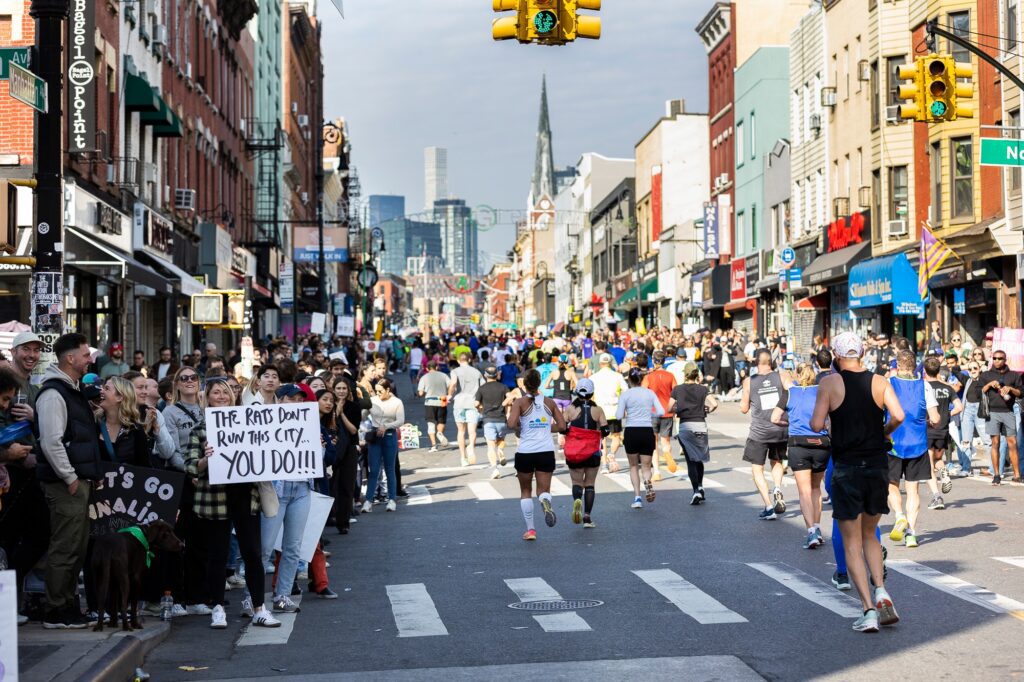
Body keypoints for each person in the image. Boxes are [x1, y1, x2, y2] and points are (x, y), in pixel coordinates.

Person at [811, 332, 904, 633]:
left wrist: (830, 425)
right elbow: (899, 415)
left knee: (851, 541)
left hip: (847, 465)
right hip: (877, 465)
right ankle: (882, 590)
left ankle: (868, 610)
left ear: (837, 356)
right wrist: (884, 430)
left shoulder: (829, 383)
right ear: (862, 352)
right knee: (870, 536)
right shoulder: (879, 381)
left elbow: (815, 424)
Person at [186, 379, 280, 629]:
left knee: (252, 553)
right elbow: (191, 466)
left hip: (245, 497)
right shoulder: (200, 429)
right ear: (207, 398)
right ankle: (217, 607)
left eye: (225, 392)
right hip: (215, 499)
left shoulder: (248, 422)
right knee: (217, 554)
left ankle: (259, 607)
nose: (221, 396)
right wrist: (206, 459)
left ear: (233, 396)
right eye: (215, 392)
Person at [35, 333, 100, 629]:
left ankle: (67, 604)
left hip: (77, 481)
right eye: (85, 355)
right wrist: (70, 477)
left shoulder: (70, 390)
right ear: (70, 359)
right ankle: (55, 610)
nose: (90, 359)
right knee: (65, 547)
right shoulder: (53, 393)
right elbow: (51, 441)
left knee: (77, 546)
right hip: (66, 484)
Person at [771, 363, 830, 548]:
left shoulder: (790, 393)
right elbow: (829, 419)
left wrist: (787, 424)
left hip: (798, 443)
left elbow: (774, 418)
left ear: (797, 375)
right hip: (821, 444)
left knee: (804, 491)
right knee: (816, 489)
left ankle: (811, 532)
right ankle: (818, 527)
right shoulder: (822, 392)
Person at [886, 350, 940, 549]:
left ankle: (899, 516)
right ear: (914, 365)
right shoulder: (924, 385)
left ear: (898, 366)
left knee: (892, 485)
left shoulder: (889, 384)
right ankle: (911, 533)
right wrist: (926, 421)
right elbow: (935, 419)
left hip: (893, 444)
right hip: (917, 444)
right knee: (913, 489)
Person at [507, 370, 566, 541]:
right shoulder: (549, 402)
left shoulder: (520, 402)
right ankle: (545, 501)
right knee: (543, 490)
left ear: (524, 385)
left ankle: (531, 530)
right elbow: (562, 426)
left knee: (526, 491)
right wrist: (544, 426)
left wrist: (522, 424)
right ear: (539, 383)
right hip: (545, 451)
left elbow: (511, 424)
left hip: (525, 452)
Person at [740, 349, 788, 520]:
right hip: (779, 430)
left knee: (757, 468)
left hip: (759, 432)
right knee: (776, 462)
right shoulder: (782, 376)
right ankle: (777, 489)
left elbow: (744, 408)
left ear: (755, 363)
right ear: (771, 362)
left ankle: (769, 506)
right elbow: (793, 394)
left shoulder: (749, 382)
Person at [668, 367, 718, 505]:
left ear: (685, 374)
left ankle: (695, 490)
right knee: (699, 458)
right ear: (697, 376)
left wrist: (679, 409)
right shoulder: (702, 389)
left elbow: (669, 408)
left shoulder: (677, 389)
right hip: (700, 425)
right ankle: (701, 485)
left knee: (690, 460)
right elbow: (714, 403)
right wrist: (708, 409)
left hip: (685, 426)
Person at [617, 368, 665, 509]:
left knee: (633, 466)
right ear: (642, 379)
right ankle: (647, 480)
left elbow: (619, 415)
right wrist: (648, 412)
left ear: (629, 380)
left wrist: (629, 412)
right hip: (646, 430)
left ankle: (637, 497)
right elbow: (661, 411)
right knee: (646, 466)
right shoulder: (649, 393)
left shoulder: (626, 395)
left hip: (631, 431)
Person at [562, 379, 605, 528]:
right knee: (590, 484)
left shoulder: (570, 409)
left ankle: (576, 500)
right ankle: (587, 517)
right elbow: (605, 430)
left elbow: (562, 427)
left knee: (576, 482)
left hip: (575, 451)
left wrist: (569, 430)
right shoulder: (598, 410)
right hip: (593, 451)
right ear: (592, 393)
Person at [979, 350, 1023, 484]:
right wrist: (989, 384)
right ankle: (996, 474)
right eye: (995, 358)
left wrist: (1010, 389)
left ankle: (1017, 475)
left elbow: (1021, 393)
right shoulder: (986, 375)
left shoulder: (1013, 375)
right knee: (995, 443)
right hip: (992, 412)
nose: (997, 361)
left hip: (1009, 412)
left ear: (1005, 360)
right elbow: (979, 391)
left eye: (1000, 358)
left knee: (1013, 443)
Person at [924, 358, 962, 505]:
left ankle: (936, 496)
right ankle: (944, 471)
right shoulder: (947, 388)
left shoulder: (924, 387)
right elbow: (959, 407)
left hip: (928, 428)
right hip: (943, 429)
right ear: (938, 370)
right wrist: (947, 414)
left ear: (925, 371)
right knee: (938, 460)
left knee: (928, 465)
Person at [363, 378, 404, 513]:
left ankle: (391, 499)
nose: (378, 394)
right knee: (373, 470)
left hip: (389, 436)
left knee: (389, 468)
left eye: (380, 391)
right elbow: (363, 416)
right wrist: (363, 405)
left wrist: (386, 426)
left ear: (388, 390)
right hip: (375, 437)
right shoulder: (373, 400)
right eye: (376, 391)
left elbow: (400, 421)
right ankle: (368, 501)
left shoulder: (397, 402)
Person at [643, 350, 678, 482]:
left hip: (652, 412)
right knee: (665, 441)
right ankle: (667, 452)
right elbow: (676, 392)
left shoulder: (649, 377)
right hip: (667, 411)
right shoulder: (670, 376)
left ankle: (657, 472)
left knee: (653, 443)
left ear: (653, 361)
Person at [332, 380, 361, 534]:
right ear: (333, 389)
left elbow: (353, 430)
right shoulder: (327, 405)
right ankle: (332, 517)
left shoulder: (354, 407)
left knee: (346, 486)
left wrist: (342, 413)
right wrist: (335, 410)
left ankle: (343, 522)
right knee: (332, 485)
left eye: (344, 388)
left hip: (349, 449)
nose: (341, 391)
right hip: (333, 448)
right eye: (338, 388)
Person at [591, 353, 627, 473]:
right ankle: (611, 454)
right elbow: (625, 391)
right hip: (614, 410)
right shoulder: (617, 376)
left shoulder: (593, 377)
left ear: (600, 363)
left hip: (599, 411)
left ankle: (604, 465)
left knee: (602, 438)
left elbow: (589, 396)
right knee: (616, 436)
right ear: (610, 363)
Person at [476, 366, 513, 480]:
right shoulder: (503, 387)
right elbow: (511, 397)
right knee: (500, 440)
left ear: (485, 375)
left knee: (491, 447)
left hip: (488, 420)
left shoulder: (481, 389)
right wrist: (504, 404)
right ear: (497, 375)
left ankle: (495, 469)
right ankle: (501, 451)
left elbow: (476, 403)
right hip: (501, 419)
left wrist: (480, 409)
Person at [447, 353, 484, 467]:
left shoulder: (455, 371)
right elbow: (483, 386)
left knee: (461, 431)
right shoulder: (476, 372)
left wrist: (449, 395)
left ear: (458, 360)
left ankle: (463, 458)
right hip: (473, 402)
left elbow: (453, 383)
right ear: (469, 359)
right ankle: (471, 447)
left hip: (459, 402)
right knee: (472, 431)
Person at [959, 359, 991, 471]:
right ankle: (966, 468)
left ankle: (993, 469)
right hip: (967, 410)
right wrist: (966, 366)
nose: (973, 370)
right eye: (970, 369)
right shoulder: (966, 380)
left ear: (980, 370)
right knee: (966, 441)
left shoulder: (984, 379)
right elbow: (954, 369)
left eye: (975, 368)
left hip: (980, 410)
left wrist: (983, 369)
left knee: (987, 440)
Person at [417, 361, 450, 452]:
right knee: (441, 420)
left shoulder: (424, 377)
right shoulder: (444, 375)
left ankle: (434, 445)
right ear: (437, 367)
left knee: (431, 423)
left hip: (430, 400)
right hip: (442, 399)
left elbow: (420, 393)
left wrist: (424, 393)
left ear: (427, 368)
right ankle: (439, 433)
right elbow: (451, 386)